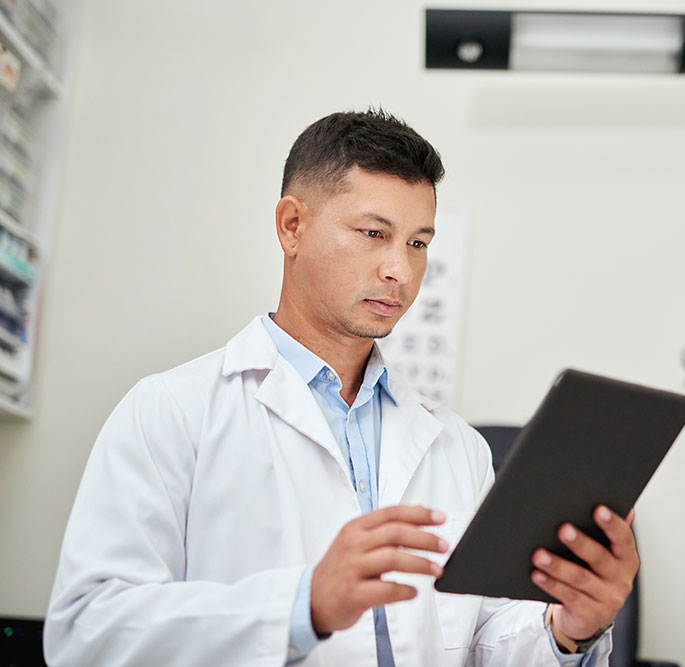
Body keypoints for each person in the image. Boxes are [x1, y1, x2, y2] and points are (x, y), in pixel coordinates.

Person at [44, 109, 640, 667]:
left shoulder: (458, 447)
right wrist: (301, 605)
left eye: (418, 243)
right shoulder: (171, 412)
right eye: (373, 233)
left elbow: (486, 644)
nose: (400, 272)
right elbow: (86, 633)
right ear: (292, 226)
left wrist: (569, 630)